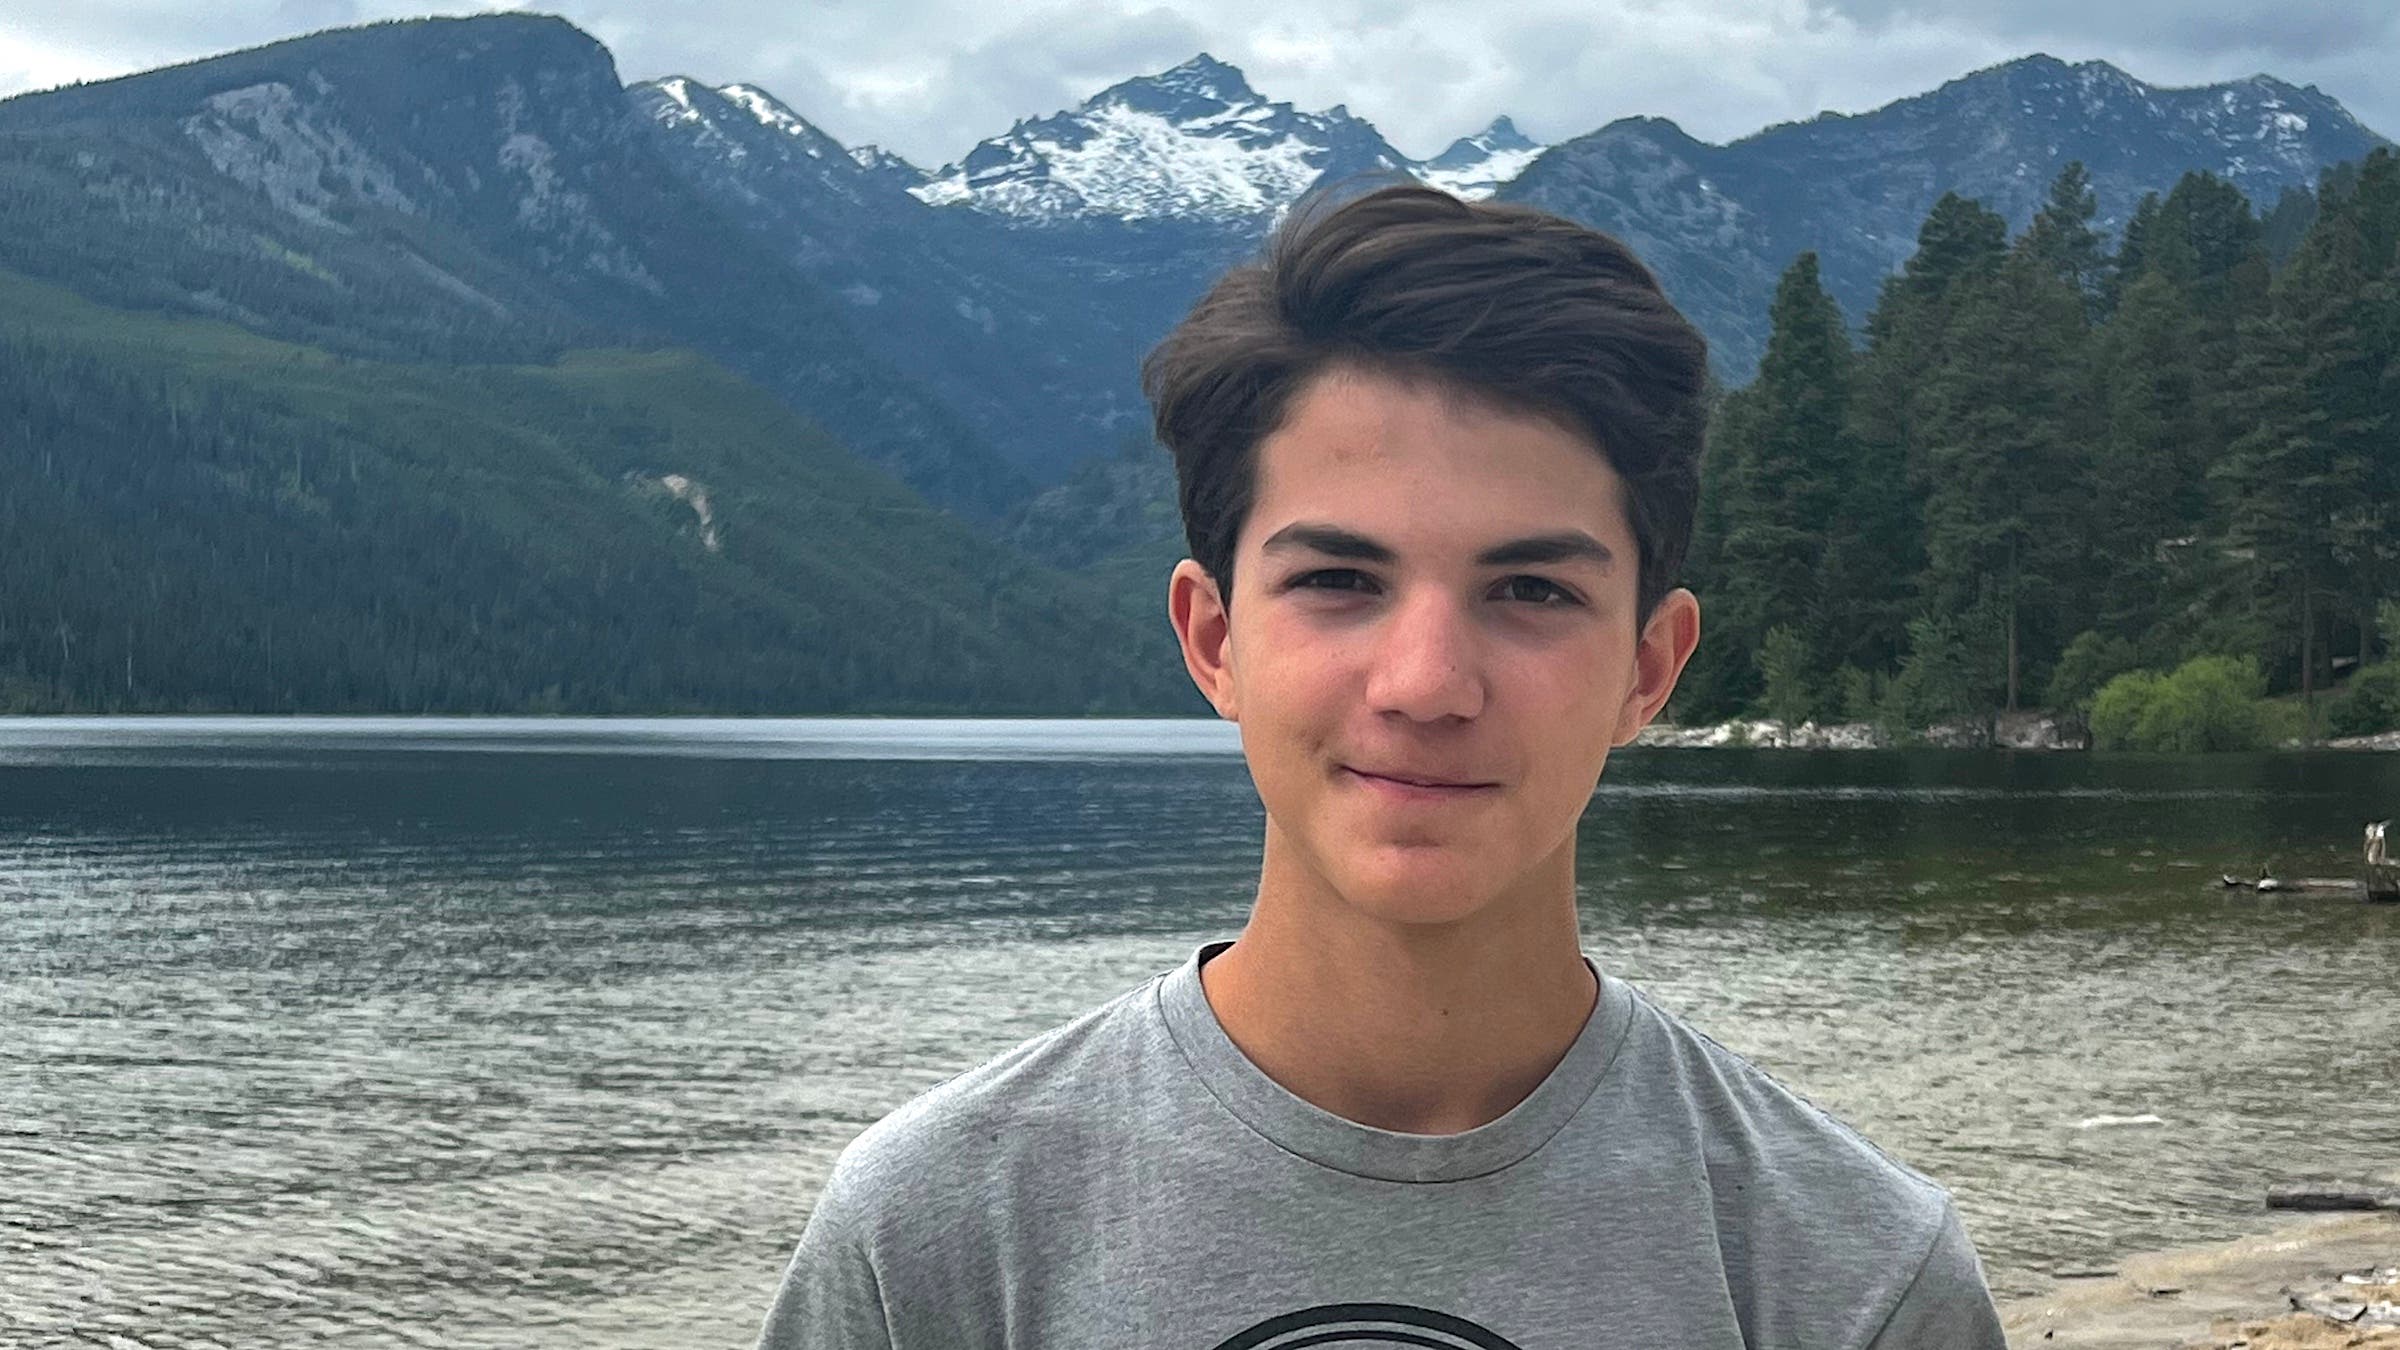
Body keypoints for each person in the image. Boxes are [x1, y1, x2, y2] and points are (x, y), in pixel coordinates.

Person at [755, 183, 2008, 1348]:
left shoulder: (1853, 1273)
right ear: (1214, 640)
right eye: (1340, 580)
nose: (1425, 684)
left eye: (1531, 590)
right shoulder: (935, 1237)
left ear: (1648, 666)